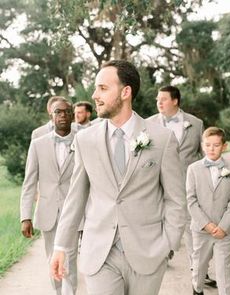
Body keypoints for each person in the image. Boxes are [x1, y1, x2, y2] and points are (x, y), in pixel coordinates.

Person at [51, 60, 186, 295]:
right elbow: (75, 197)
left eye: (103, 88)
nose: (95, 95)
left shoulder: (162, 138)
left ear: (126, 92)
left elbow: (175, 199)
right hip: (100, 254)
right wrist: (61, 245)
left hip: (148, 253)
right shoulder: (85, 140)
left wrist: (168, 244)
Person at [147, 86, 216, 288]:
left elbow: (204, 155)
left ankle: (199, 272)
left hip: (188, 185)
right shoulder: (149, 124)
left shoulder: (195, 123)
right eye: (157, 99)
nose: (159, 103)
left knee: (192, 227)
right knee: (156, 224)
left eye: (164, 99)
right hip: (156, 184)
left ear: (175, 101)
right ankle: (157, 259)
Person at [20, 99, 78, 295]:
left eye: (66, 112)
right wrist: (25, 217)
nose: (62, 115)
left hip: (74, 211)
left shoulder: (83, 140)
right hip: (47, 211)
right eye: (57, 112)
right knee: (52, 258)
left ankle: (70, 292)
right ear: (51, 116)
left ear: (72, 115)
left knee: (70, 257)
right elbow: (29, 182)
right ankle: (59, 292)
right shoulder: (38, 144)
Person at [186, 127, 230, 295]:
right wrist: (206, 224)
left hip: (225, 231)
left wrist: (224, 227)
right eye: (207, 145)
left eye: (216, 145)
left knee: (224, 270)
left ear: (224, 146)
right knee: (199, 269)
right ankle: (197, 290)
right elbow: (191, 200)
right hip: (201, 229)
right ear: (202, 145)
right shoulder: (193, 169)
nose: (211, 149)